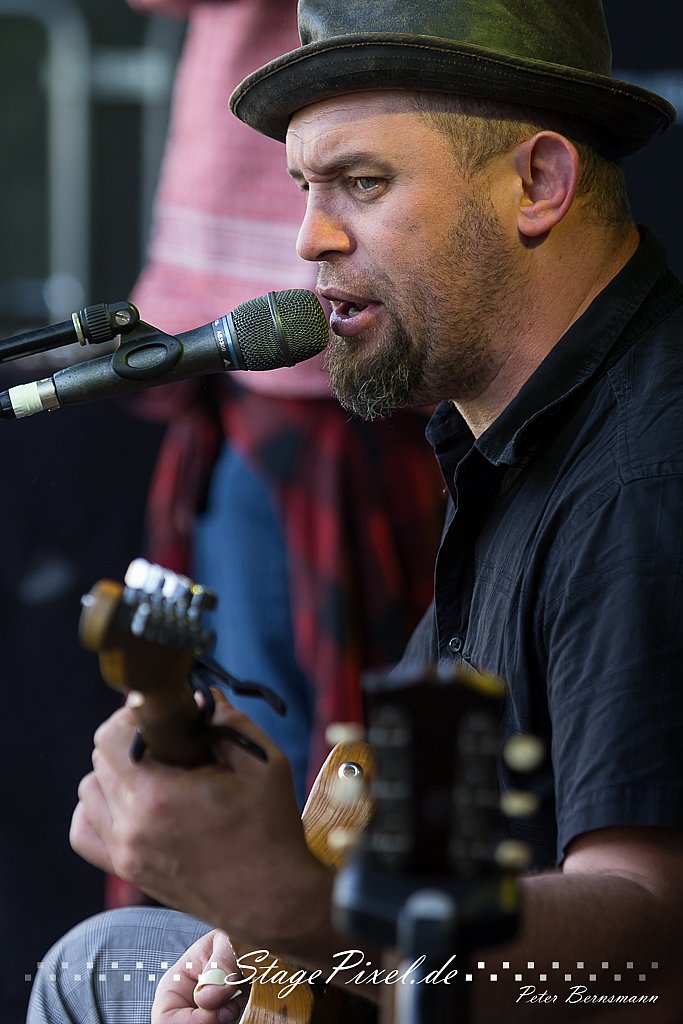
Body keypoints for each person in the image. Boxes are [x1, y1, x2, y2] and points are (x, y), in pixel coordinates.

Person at [27, 1, 683, 1021]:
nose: (307, 239)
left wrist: (299, 912)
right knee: (109, 955)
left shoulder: (638, 484)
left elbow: (645, 962)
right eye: (302, 188)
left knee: (80, 976)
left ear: (537, 183)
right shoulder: (509, 434)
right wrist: (265, 945)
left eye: (361, 185)